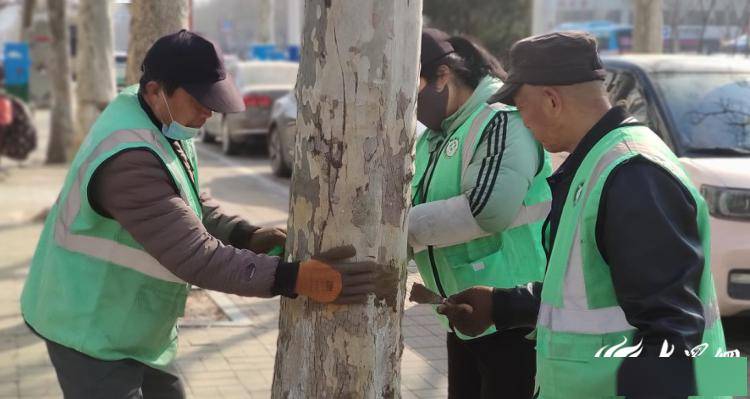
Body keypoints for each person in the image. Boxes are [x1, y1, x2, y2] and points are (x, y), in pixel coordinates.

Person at [20, 30, 385, 399]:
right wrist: (293, 278)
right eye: (199, 101)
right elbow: (195, 256)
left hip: (130, 325)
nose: (209, 112)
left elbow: (187, 198)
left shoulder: (160, 121)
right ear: (155, 91)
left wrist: (243, 233)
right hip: (87, 329)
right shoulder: (128, 160)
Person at [438, 31, 728, 398]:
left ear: (551, 100)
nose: (521, 119)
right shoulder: (600, 165)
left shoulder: (633, 174)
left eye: (520, 105)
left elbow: (672, 337)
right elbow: (591, 297)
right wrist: (501, 306)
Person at [408, 28, 552, 399]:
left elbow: (488, 210)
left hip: (514, 320)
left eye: (414, 88)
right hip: (465, 316)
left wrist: (397, 230)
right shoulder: (432, 139)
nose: (409, 103)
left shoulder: (502, 122)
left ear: (444, 76)